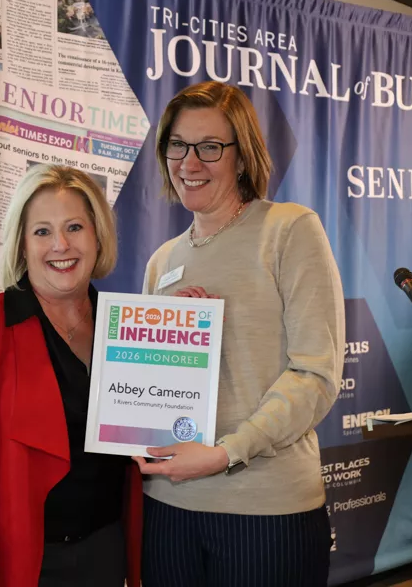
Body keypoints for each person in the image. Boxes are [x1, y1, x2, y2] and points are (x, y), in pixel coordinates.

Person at [133, 81, 345, 586]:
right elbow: (148, 390)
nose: (190, 162)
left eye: (210, 147)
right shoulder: (162, 260)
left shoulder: (289, 229)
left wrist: (226, 452)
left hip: (265, 510)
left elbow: (315, 375)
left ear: (243, 155)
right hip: (168, 508)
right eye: (178, 145)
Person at [0, 164, 143, 587]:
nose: (61, 244)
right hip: (16, 564)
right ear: (23, 246)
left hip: (105, 554)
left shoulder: (127, 327)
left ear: (98, 237)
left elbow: (154, 439)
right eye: (42, 231)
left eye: (75, 227)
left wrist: (191, 328)